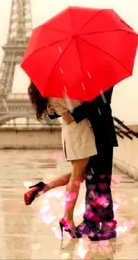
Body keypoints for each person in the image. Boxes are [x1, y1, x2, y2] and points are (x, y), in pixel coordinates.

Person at [24, 82, 97, 240]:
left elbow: (60, 113)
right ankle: (67, 218)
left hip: (72, 134)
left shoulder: (49, 95)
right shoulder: (58, 94)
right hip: (79, 135)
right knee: (77, 177)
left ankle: (44, 187)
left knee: (78, 175)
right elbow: (72, 114)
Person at [49, 88, 118, 241]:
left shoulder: (103, 75)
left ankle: (108, 225)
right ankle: (91, 221)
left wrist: (71, 115)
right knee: (91, 180)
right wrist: (55, 110)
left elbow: (97, 102)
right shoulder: (82, 78)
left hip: (101, 133)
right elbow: (72, 102)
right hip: (86, 135)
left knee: (101, 180)